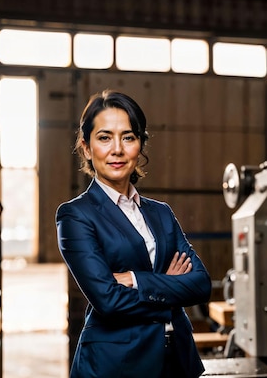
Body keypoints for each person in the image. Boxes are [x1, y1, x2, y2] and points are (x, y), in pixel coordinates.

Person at [55, 89, 212, 378]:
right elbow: (108, 301)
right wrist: (170, 286)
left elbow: (201, 284)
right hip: (117, 364)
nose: (117, 149)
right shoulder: (76, 215)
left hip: (178, 361)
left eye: (128, 137)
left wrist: (136, 279)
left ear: (140, 144)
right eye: (104, 137)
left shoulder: (161, 213)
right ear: (86, 148)